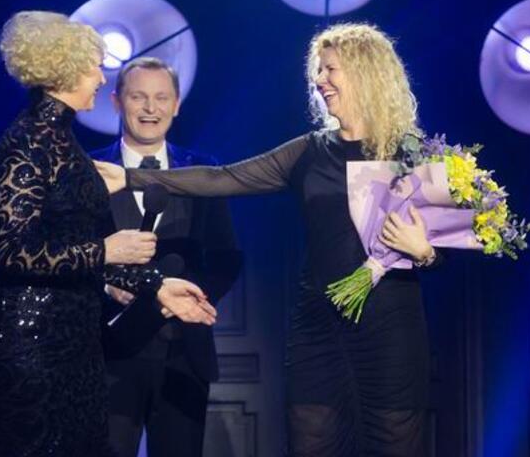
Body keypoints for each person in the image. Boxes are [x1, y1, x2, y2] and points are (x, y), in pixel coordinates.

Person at [95, 23, 440, 457]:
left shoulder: (413, 153)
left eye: (330, 69)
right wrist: (131, 177)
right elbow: (223, 178)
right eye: (318, 70)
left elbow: (447, 245)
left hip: (389, 328)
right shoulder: (309, 151)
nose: (319, 80)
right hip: (318, 326)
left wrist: (425, 251)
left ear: (364, 72)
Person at [0, 12, 216, 457]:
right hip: (31, 337)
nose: (101, 79)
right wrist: (103, 250)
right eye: (94, 68)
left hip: (78, 338)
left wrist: (157, 286)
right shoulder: (26, 143)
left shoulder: (65, 143)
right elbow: (15, 251)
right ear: (64, 70)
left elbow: (86, 248)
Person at [90, 57, 242, 457]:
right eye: (138, 97)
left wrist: (189, 300)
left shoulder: (203, 170)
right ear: (117, 101)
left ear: (176, 104)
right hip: (107, 352)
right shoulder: (89, 171)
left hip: (182, 354)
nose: (150, 108)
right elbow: (71, 256)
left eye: (161, 98)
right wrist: (105, 286)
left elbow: (226, 258)